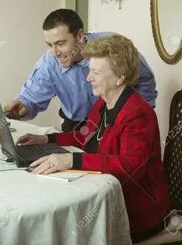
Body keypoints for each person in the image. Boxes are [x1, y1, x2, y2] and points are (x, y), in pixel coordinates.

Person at [16, 35, 171, 243]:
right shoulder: (102, 104)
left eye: (96, 72)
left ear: (120, 77)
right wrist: (45, 139)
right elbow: (82, 137)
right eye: (90, 70)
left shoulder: (137, 113)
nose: (88, 78)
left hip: (138, 209)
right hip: (111, 193)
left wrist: (71, 160)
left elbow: (131, 165)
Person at [4, 8, 157, 131]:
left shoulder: (112, 47)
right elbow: (31, 99)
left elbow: (144, 80)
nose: (54, 52)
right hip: (77, 126)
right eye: (50, 45)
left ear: (80, 36)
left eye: (61, 43)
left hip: (118, 122)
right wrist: (22, 107)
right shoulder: (49, 62)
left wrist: (136, 117)